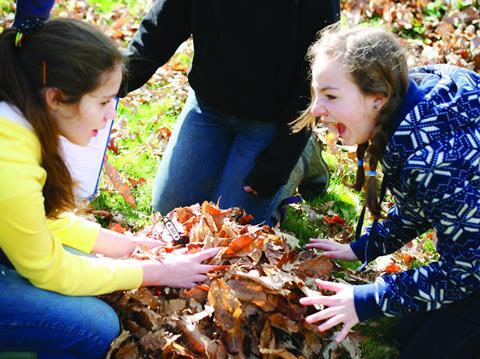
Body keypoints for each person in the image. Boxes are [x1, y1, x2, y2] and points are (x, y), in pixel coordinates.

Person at [0, 17, 219, 358]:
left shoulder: (18, 121)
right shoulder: (8, 159)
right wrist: (157, 272)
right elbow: (48, 268)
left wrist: (126, 245)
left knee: (88, 262)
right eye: (103, 102)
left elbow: (37, 219)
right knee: (95, 326)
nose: (110, 116)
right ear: (56, 97)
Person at [295, 24, 480, 358]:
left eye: (331, 96)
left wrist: (369, 298)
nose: (316, 110)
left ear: (377, 100)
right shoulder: (420, 93)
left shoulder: (432, 161)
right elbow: (422, 203)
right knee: (405, 330)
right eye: (316, 94)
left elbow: (465, 269)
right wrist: (365, 247)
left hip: (472, 263)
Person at [124, 0, 339, 226]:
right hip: (207, 108)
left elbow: (315, 74)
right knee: (169, 213)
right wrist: (118, 79)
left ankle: (302, 156)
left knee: (232, 226)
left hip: (271, 121)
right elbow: (163, 25)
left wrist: (279, 161)